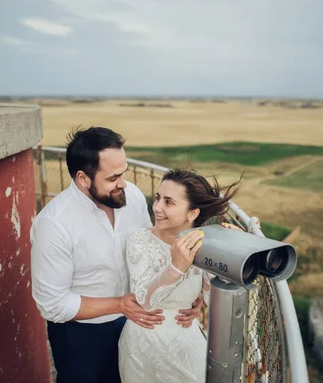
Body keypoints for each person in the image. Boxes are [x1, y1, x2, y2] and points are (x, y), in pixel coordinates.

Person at [30, 127, 201, 383]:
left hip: (138, 326)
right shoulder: (53, 224)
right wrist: (119, 304)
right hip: (83, 337)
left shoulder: (129, 195)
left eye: (124, 173)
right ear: (83, 178)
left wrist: (188, 294)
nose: (123, 183)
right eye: (113, 178)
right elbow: (53, 304)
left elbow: (155, 245)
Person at [118, 169, 241, 382]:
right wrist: (176, 267)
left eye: (169, 202)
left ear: (192, 213)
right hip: (141, 346)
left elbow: (215, 300)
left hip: (185, 345)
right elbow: (144, 300)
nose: (157, 207)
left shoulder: (204, 246)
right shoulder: (139, 240)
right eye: (157, 198)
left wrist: (233, 253)